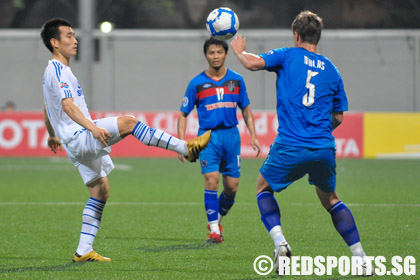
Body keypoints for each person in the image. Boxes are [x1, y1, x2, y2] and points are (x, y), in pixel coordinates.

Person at [40, 18, 211, 262]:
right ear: (55, 42)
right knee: (130, 122)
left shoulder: (56, 71)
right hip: (80, 136)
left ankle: (83, 250)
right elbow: (67, 106)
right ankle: (186, 147)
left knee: (100, 190)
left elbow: (48, 108)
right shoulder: (56, 70)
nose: (75, 40)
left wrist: (52, 134)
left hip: (72, 143)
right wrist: (92, 128)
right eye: (68, 36)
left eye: (74, 35)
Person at [231, 10, 371, 275]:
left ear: (296, 35)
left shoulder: (288, 55)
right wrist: (316, 129)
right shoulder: (332, 69)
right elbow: (338, 116)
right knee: (331, 200)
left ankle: (280, 243)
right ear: (318, 36)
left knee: (262, 188)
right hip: (323, 147)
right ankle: (360, 257)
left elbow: (252, 63)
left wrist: (238, 51)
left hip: (291, 144)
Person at [177, 37, 260, 244]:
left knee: (232, 188)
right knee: (211, 180)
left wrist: (254, 136)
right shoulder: (196, 83)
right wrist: (181, 144)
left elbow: (246, 110)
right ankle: (214, 231)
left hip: (231, 137)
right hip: (208, 138)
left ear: (226, 54)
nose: (215, 56)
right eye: (211, 53)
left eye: (219, 52)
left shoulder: (237, 80)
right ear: (206, 55)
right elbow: (183, 114)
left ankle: (217, 219)